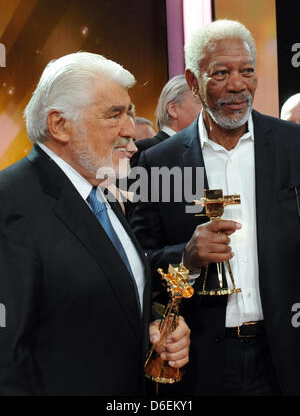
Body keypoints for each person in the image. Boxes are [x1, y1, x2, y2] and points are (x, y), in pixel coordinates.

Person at [0, 52, 190, 396]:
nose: (130, 130)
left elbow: (98, 297)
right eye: (114, 114)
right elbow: (7, 359)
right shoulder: (10, 202)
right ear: (59, 125)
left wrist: (156, 326)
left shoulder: (101, 193)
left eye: (129, 112)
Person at [131, 20, 300, 396]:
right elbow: (139, 262)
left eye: (247, 71)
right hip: (200, 361)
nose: (238, 85)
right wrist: (186, 257)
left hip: (285, 355)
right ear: (193, 82)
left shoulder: (293, 146)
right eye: (221, 73)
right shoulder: (159, 163)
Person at [131, 74, 202, 166]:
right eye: (200, 102)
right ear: (173, 109)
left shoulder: (201, 150)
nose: (208, 109)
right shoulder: (140, 151)